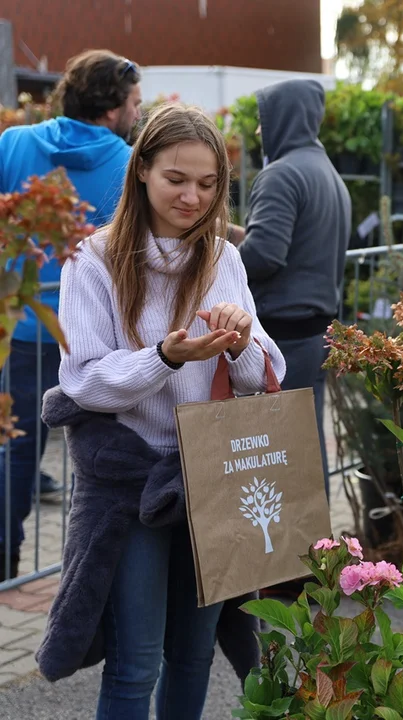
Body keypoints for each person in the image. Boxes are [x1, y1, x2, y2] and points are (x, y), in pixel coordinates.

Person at [55, 103, 286, 717]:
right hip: (130, 486)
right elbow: (83, 381)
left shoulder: (224, 259)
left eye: (208, 184)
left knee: (194, 655)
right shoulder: (91, 260)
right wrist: (165, 357)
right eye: (176, 180)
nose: (192, 197)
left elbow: (265, 374)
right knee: (134, 664)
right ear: (141, 173)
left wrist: (241, 342)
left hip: (211, 476)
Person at [0, 49, 141, 581]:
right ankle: (93, 565)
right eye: (134, 103)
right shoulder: (130, 164)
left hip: (24, 322)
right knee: (97, 454)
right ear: (111, 108)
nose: (136, 114)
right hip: (96, 335)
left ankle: (5, 563)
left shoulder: (13, 143)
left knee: (15, 451)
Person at [226, 79, 350, 497]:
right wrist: (229, 231)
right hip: (315, 334)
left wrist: (215, 263)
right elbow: (295, 244)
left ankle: (284, 552)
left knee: (273, 456)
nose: (260, 133)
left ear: (282, 120)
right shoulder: (326, 172)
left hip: (282, 338)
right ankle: (318, 546)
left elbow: (265, 256)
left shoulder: (280, 174)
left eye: (263, 122)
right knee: (305, 448)